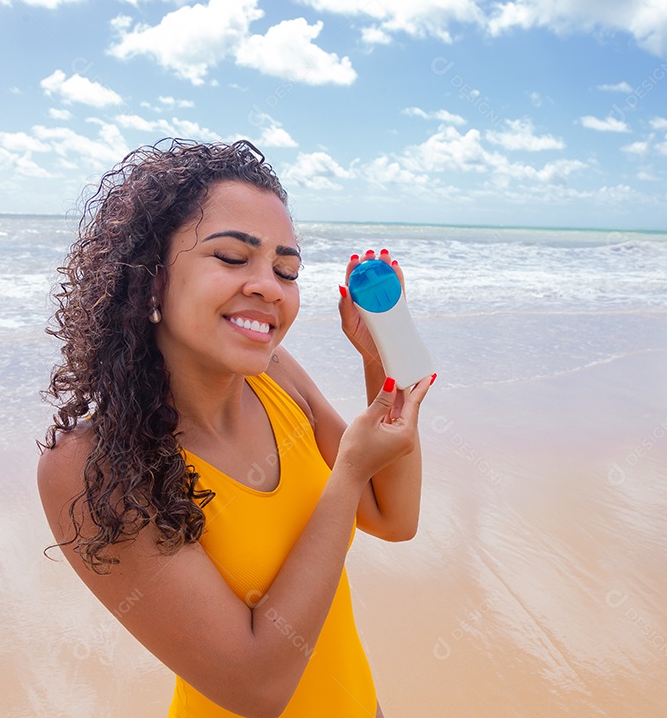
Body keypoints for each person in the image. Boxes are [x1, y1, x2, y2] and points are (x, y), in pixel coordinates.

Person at [37, 138, 435, 718]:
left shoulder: (278, 379)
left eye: (286, 268)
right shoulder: (90, 464)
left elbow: (394, 518)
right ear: (150, 279)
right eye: (231, 258)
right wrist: (346, 473)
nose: (269, 286)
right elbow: (256, 689)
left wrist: (379, 362)